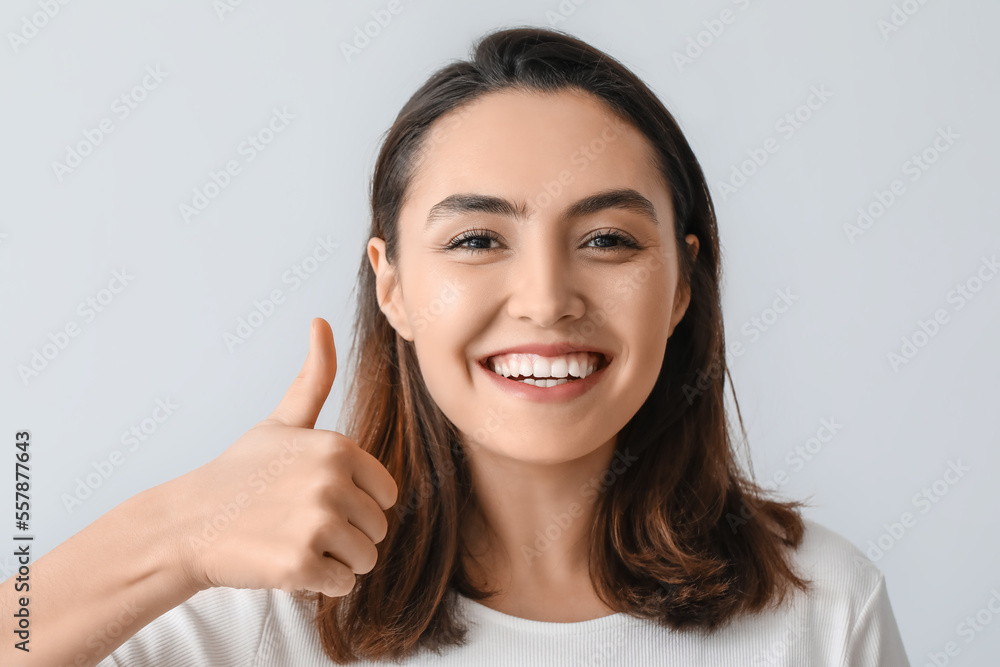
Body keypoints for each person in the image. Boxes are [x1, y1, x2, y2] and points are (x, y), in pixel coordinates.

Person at [1, 26, 910, 666]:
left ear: (680, 284)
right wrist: (178, 531)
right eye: (477, 239)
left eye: (608, 241)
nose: (547, 299)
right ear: (390, 283)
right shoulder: (248, 609)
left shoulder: (821, 609)